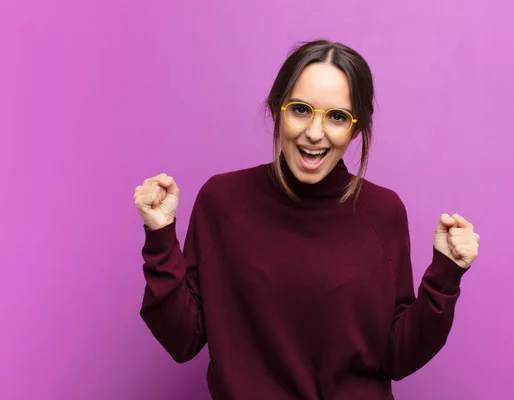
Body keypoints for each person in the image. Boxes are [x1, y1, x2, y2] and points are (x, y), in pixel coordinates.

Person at [133, 40, 480, 400]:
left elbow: (398, 356)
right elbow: (182, 339)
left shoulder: (383, 212)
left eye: (337, 117)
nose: (315, 133)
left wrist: (444, 276)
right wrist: (159, 237)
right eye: (300, 109)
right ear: (276, 109)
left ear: (356, 129)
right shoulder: (222, 201)